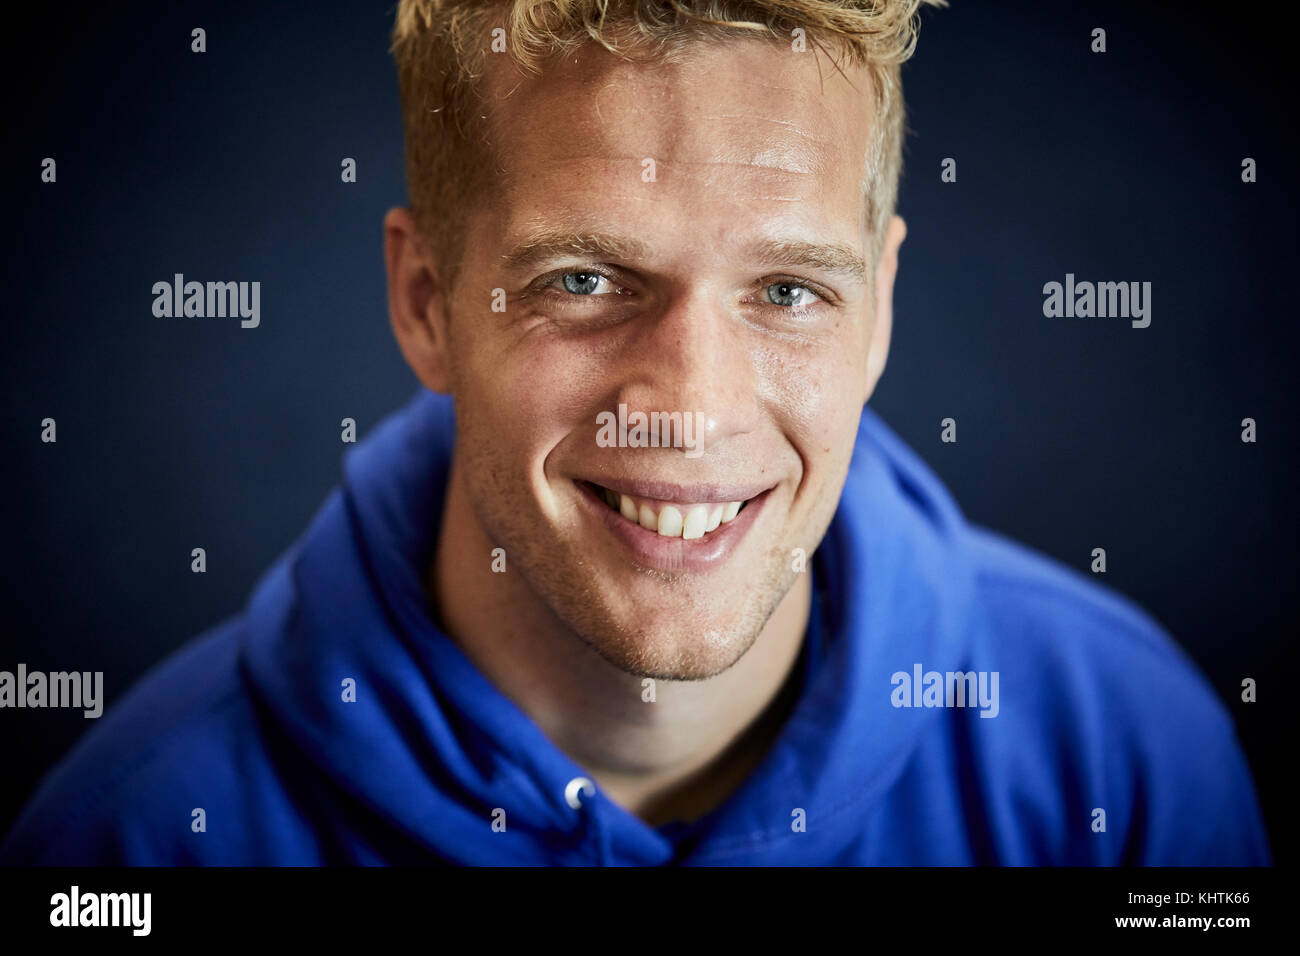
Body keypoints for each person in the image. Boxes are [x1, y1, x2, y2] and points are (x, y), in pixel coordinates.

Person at [1, 0, 1269, 865]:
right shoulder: (133, 839)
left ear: (877, 311)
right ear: (426, 302)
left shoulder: (1130, 755)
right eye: (586, 281)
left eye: (787, 290)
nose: (694, 405)